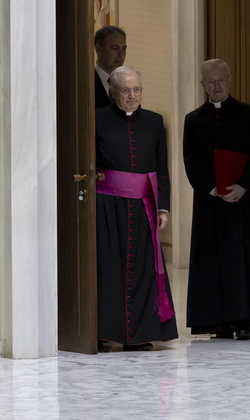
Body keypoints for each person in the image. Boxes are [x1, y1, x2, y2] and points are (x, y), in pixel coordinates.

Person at [183, 59, 250, 340]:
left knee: (241, 260)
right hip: (210, 203)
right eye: (211, 81)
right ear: (202, 85)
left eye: (221, 80)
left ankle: (244, 320)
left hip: (241, 202)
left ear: (230, 81)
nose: (216, 86)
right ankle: (216, 322)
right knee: (212, 261)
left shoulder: (248, 113)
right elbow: (191, 159)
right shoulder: (193, 119)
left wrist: (244, 186)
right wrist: (212, 188)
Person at [95, 66, 178, 350]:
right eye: (126, 90)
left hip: (144, 209)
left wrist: (164, 208)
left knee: (142, 271)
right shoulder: (97, 119)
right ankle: (107, 333)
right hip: (108, 208)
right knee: (110, 270)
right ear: (113, 92)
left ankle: (140, 335)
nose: (133, 96)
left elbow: (162, 170)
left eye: (137, 90)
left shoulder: (154, 121)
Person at [93, 26, 127, 108]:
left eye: (124, 49)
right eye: (115, 48)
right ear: (99, 49)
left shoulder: (126, 81)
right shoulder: (85, 80)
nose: (120, 54)